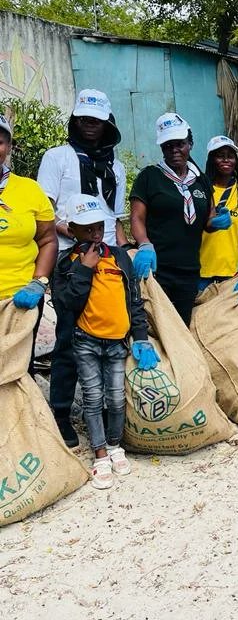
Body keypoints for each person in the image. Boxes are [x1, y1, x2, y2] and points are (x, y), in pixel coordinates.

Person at [37, 89, 127, 448]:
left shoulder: (115, 167)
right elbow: (45, 215)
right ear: (75, 120)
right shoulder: (57, 158)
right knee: (69, 338)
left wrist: (120, 255)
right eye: (85, 118)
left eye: (97, 119)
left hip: (107, 260)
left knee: (109, 333)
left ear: (107, 124)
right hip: (70, 258)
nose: (91, 125)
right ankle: (61, 412)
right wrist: (78, 238)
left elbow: (115, 219)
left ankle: (106, 411)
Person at [51, 194, 158, 489]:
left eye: (99, 228)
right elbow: (67, 304)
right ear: (71, 230)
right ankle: (99, 453)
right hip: (85, 342)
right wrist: (85, 268)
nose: (95, 234)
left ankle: (114, 445)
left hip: (116, 343)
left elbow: (134, 300)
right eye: (87, 229)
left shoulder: (120, 256)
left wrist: (140, 336)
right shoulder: (65, 264)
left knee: (115, 397)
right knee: (93, 397)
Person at [130, 113, 228, 326]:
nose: (174, 150)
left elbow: (208, 220)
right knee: (156, 327)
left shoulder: (200, 180)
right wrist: (144, 244)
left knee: (182, 327)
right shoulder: (150, 177)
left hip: (189, 270)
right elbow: (136, 218)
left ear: (190, 144)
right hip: (157, 270)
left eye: (180, 144)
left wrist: (217, 222)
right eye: (168, 145)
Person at [0, 113, 57, 337]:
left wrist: (38, 282)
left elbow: (48, 240)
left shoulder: (30, 190)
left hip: (19, 301)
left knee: (18, 369)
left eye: (0, 141)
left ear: (9, 147)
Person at [199, 135, 238, 301]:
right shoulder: (200, 188)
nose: (226, 160)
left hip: (232, 273)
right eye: (220, 155)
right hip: (200, 273)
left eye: (230, 155)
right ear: (211, 159)